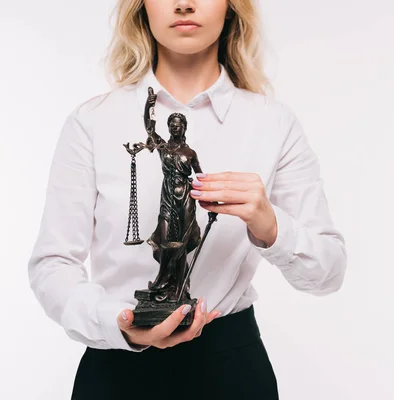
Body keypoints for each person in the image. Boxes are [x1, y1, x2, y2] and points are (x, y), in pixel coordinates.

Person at [27, 0, 347, 399]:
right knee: (166, 248)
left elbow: (328, 273)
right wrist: (118, 322)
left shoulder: (272, 123)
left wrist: (270, 224)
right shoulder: (93, 121)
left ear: (232, 6)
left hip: (231, 368)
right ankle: (160, 292)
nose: (184, 3)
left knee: (181, 243)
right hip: (116, 368)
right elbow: (53, 265)